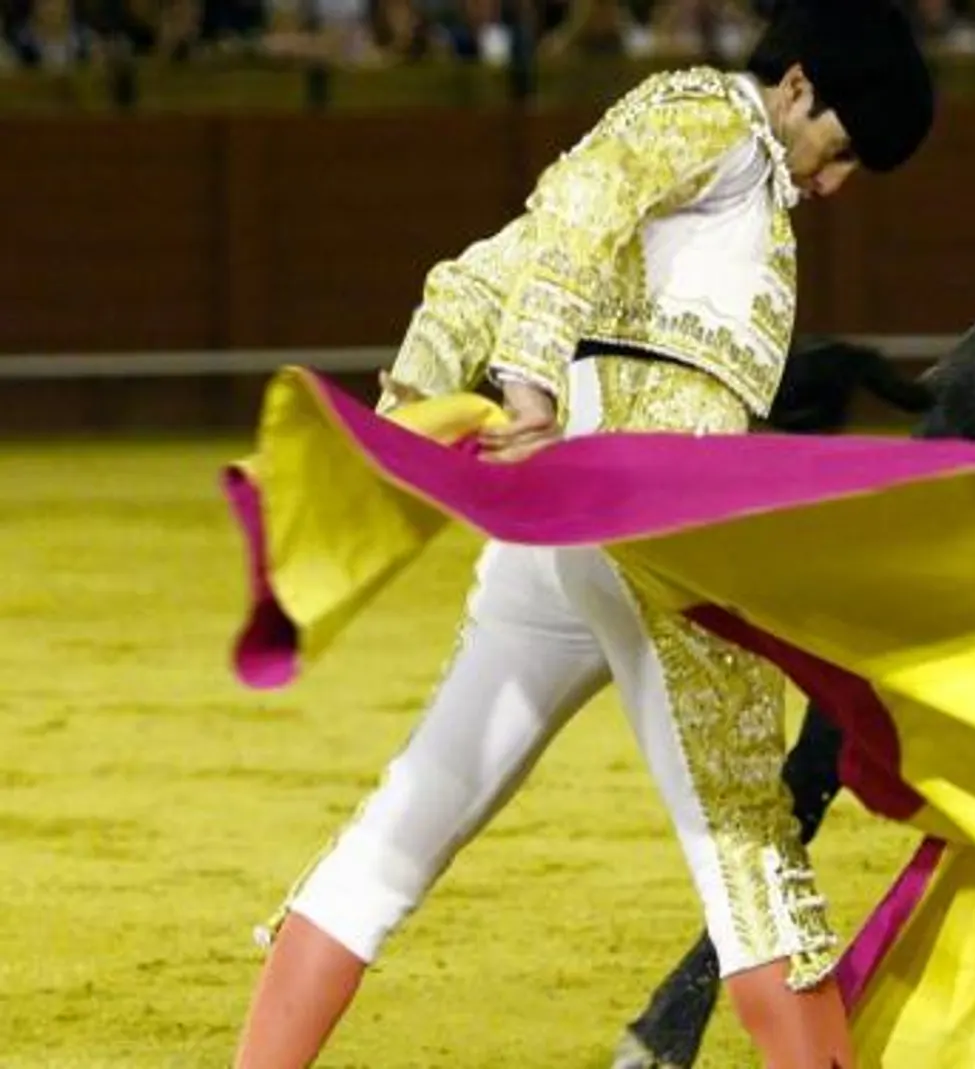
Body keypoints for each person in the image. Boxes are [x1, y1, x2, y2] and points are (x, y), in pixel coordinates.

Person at [229, 2, 934, 1064]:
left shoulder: (720, 166)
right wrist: (524, 381)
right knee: (752, 852)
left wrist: (406, 416)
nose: (830, 186)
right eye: (837, 153)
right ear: (796, 86)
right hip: (660, 524)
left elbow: (476, 279)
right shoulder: (720, 120)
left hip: (556, 530)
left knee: (414, 811)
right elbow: (579, 201)